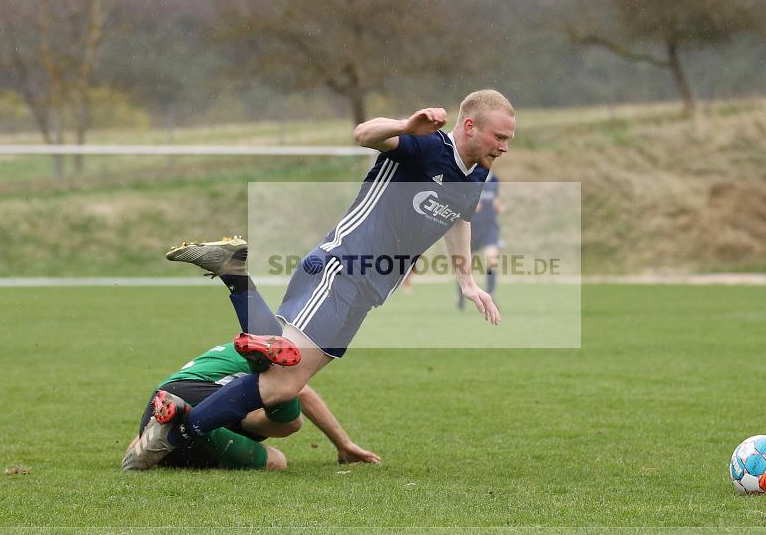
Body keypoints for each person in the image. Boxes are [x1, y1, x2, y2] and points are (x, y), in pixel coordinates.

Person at [133, 89, 516, 466]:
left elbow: (460, 220)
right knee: (283, 380)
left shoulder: (478, 171)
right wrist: (405, 124)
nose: (504, 147)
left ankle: (238, 287)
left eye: (508, 139)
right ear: (469, 125)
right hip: (340, 268)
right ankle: (177, 434)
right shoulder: (427, 146)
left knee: (285, 380)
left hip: (367, 290)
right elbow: (364, 133)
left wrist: (467, 282)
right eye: (499, 137)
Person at [121, 244, 380, 471]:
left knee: (260, 408)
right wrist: (343, 444)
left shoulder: (215, 358)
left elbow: (139, 437)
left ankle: (240, 294)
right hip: (201, 399)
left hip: (163, 402)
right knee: (286, 428)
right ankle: (257, 361)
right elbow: (298, 392)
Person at [458, 164, 503, 309]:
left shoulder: (495, 180)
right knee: (465, 264)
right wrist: (468, 204)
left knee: (492, 259)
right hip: (471, 229)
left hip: (489, 229)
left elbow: (495, 198)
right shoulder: (470, 177)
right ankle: (462, 295)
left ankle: (490, 294)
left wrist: (498, 206)